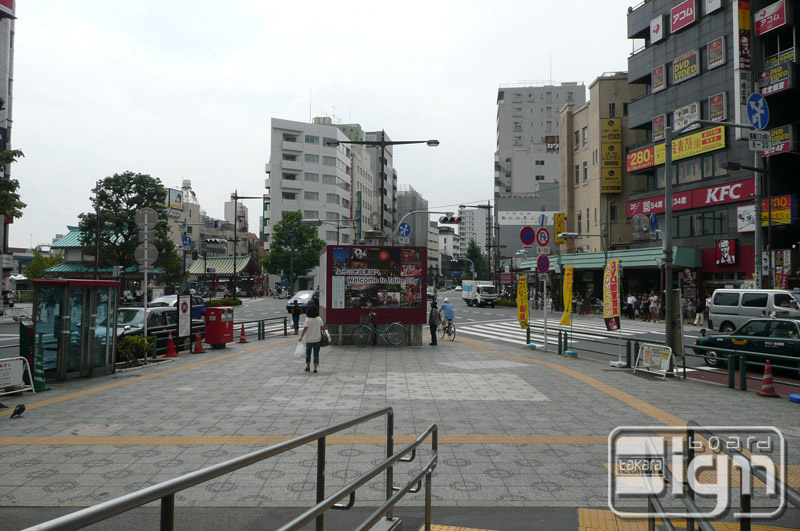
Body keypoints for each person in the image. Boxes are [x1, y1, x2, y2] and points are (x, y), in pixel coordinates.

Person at [298, 304, 325, 373]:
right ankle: (315, 368)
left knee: (308, 354)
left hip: (309, 340)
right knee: (316, 354)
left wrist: (301, 337)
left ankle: (308, 366)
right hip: (317, 339)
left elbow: (305, 328)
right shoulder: (319, 319)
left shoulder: (307, 319)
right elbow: (322, 327)